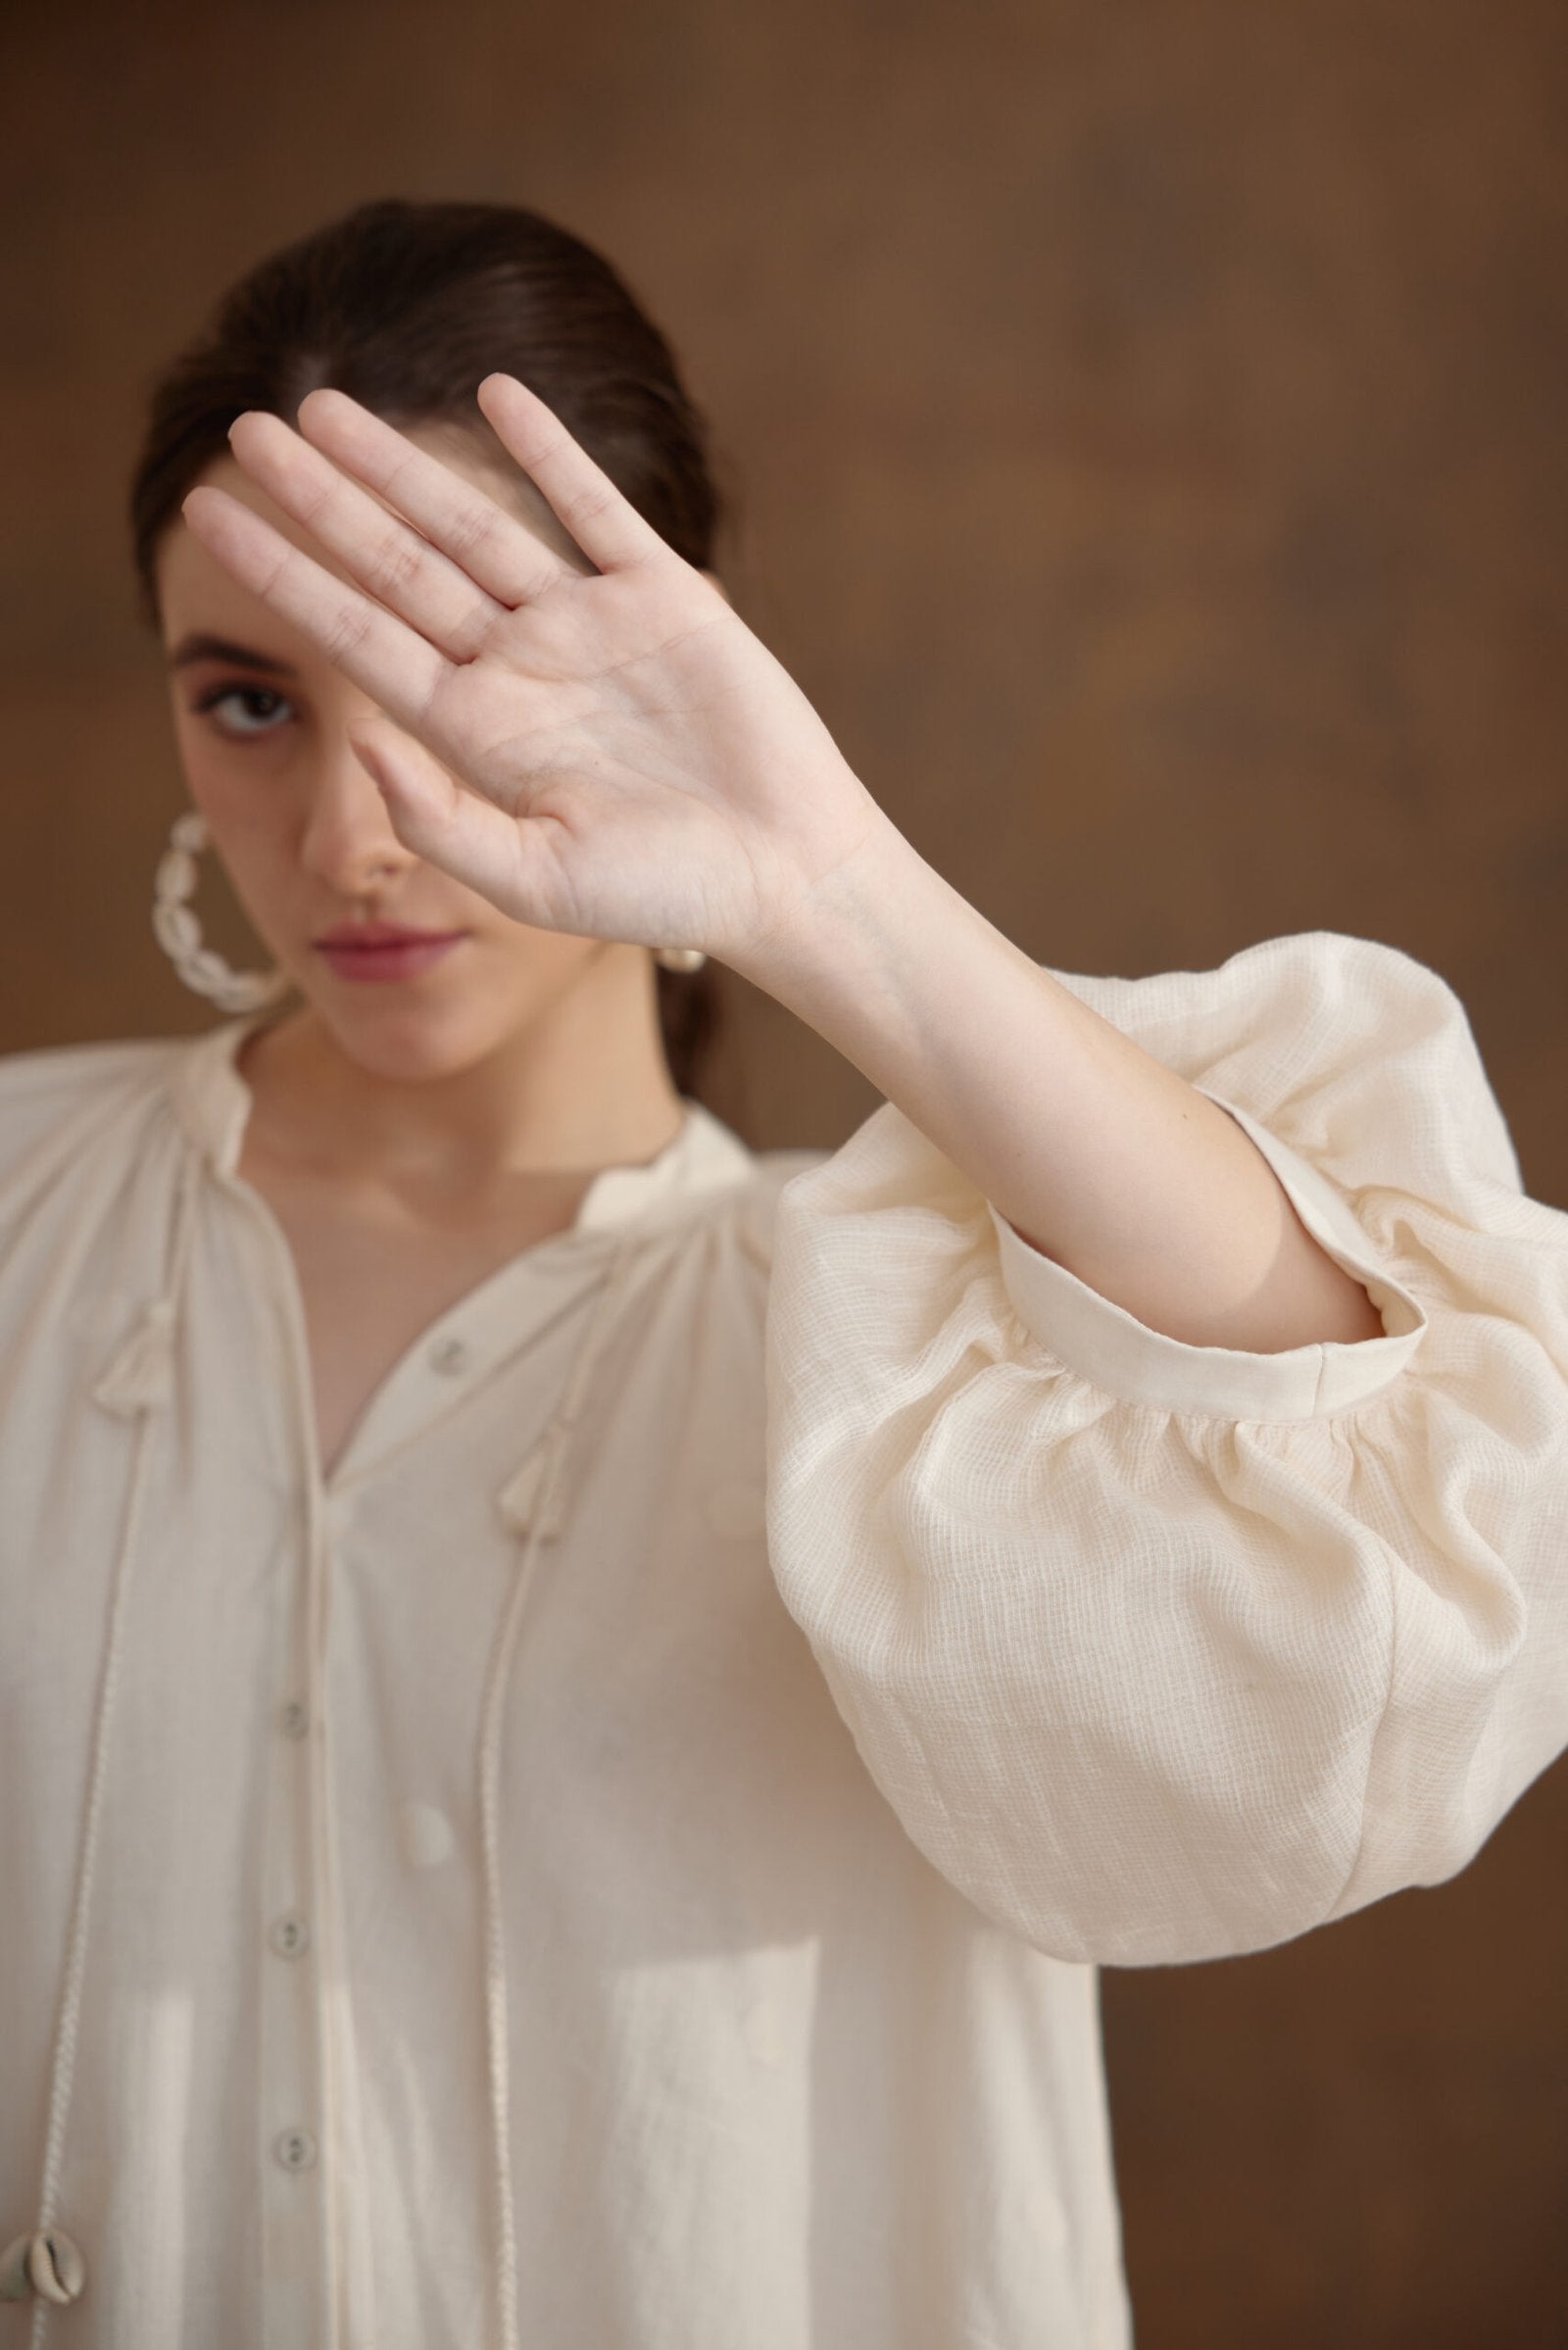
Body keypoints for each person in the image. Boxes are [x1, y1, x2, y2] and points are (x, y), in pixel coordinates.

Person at [1, 196, 1564, 2350]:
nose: (363, 832)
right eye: (253, 701)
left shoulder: (907, 1369)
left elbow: (1410, 1542)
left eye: (458, 676)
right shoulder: (20, 1215)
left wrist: (815, 879)